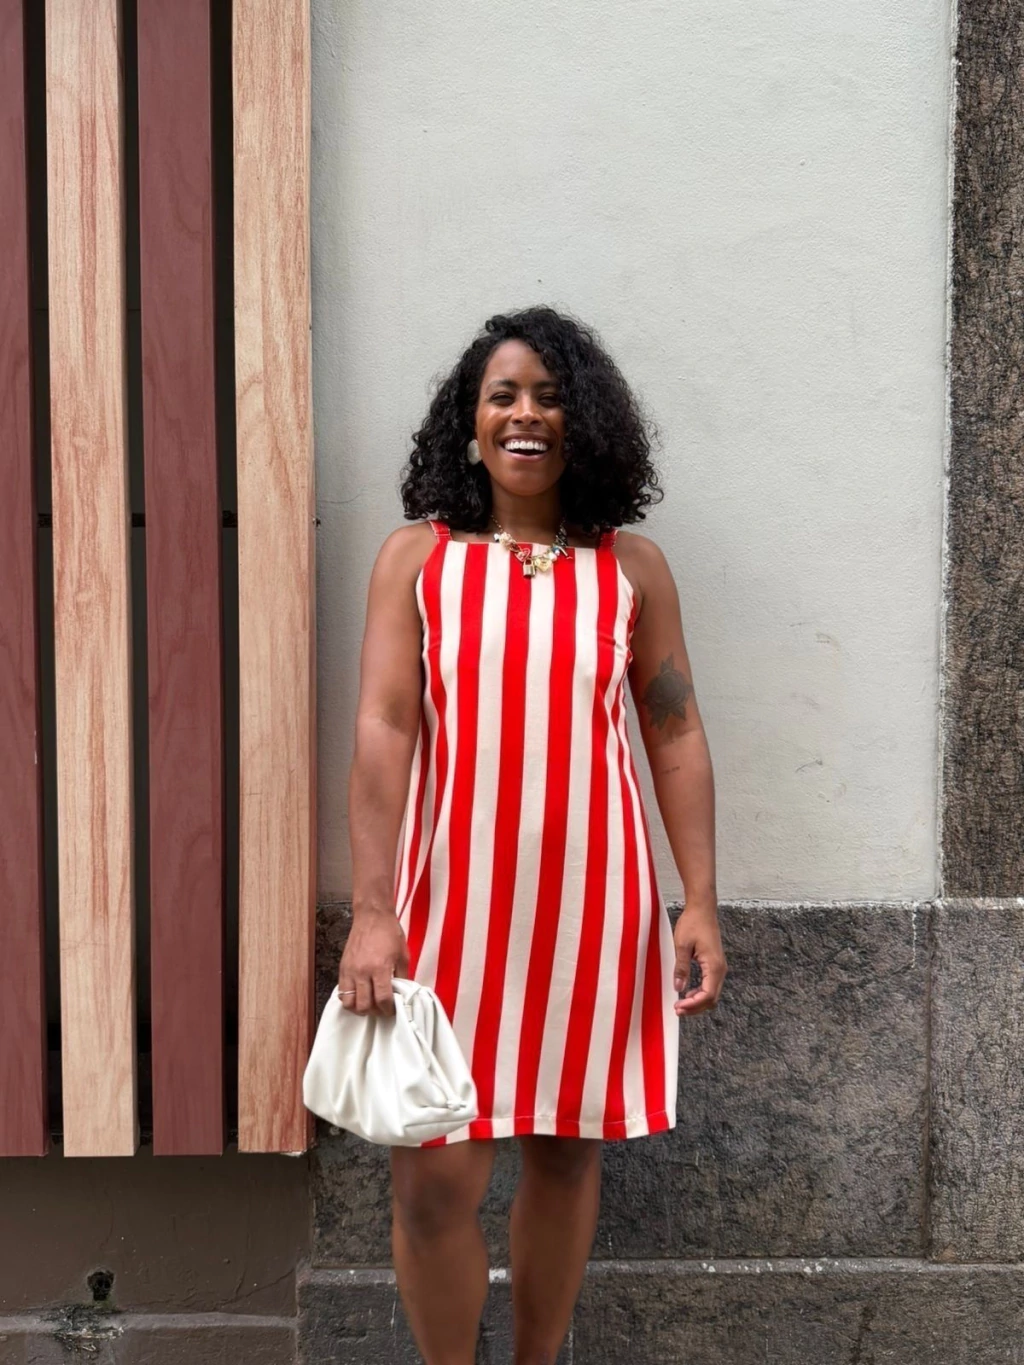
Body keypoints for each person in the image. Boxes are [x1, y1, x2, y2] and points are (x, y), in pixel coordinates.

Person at [338, 305, 725, 1365]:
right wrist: (372, 912)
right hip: (448, 909)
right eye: (502, 395)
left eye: (551, 398)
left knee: (564, 1154)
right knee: (433, 1180)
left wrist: (697, 900)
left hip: (593, 911)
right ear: (468, 424)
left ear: (583, 422)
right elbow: (383, 729)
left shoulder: (630, 568)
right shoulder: (418, 560)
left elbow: (675, 731)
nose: (526, 415)